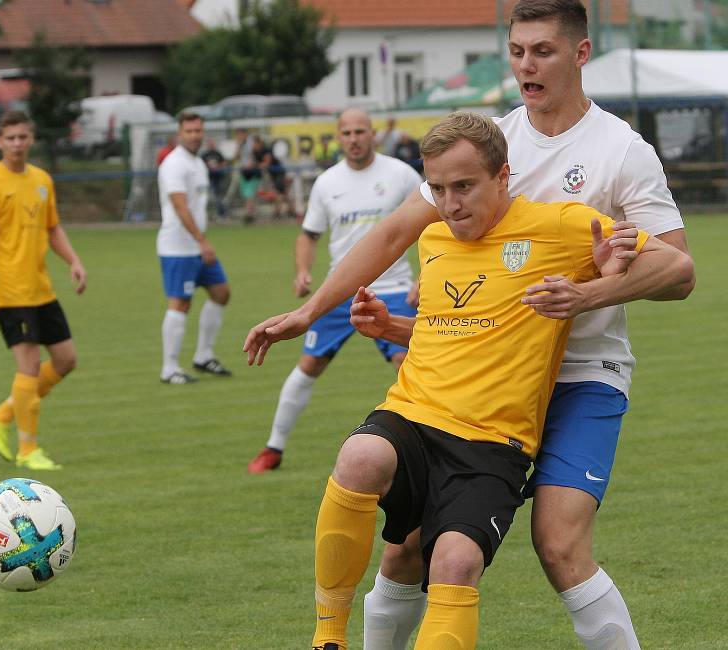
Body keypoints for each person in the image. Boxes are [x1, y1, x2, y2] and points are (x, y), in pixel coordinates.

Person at [244, 2, 696, 648]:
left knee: (560, 544)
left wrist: (589, 292)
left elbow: (678, 269)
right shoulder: (490, 140)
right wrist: (311, 310)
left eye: (541, 50)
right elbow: (401, 231)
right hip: (478, 381)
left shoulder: (621, 151)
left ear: (580, 54)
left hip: (582, 376)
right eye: (516, 51)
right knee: (404, 552)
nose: (525, 65)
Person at [246, 108, 422, 474]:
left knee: (410, 365)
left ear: (373, 134)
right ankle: (273, 448)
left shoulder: (401, 175)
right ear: (338, 137)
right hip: (340, 293)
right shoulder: (326, 183)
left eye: (361, 131)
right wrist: (302, 271)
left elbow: (433, 225)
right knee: (309, 364)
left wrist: (425, 276)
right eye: (347, 132)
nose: (354, 138)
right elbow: (308, 235)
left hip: (393, 290)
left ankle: (427, 447)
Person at [0, 110, 87, 471]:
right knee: (30, 366)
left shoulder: (41, 180)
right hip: (8, 291)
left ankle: (2, 414)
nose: (17, 144)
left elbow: (52, 228)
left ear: (31, 140)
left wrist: (74, 261)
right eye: (11, 138)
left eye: (23, 137)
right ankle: (28, 450)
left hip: (42, 289)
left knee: (66, 361)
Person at [157, 112, 232, 384]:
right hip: (178, 247)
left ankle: (203, 355)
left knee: (221, 293)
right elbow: (179, 206)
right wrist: (202, 241)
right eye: (189, 131)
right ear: (180, 133)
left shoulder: (197, 162)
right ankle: (169, 368)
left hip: (197, 247)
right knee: (180, 303)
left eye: (198, 130)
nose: (194, 135)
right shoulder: (173, 164)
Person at [251, 136, 297, 219]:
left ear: (259, 143)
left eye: (255, 143)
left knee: (279, 193)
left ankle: (278, 212)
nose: (253, 145)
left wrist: (257, 165)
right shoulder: (255, 152)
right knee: (283, 193)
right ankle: (291, 211)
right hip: (272, 174)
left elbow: (266, 163)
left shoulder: (265, 150)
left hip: (278, 172)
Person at [201, 137, 228, 218]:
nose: (211, 145)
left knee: (217, 196)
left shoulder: (218, 153)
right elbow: (200, 165)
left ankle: (221, 213)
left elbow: (224, 163)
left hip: (217, 178)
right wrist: (208, 167)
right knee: (205, 196)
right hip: (207, 179)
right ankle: (209, 213)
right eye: (210, 143)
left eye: (212, 143)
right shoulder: (205, 154)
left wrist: (218, 167)